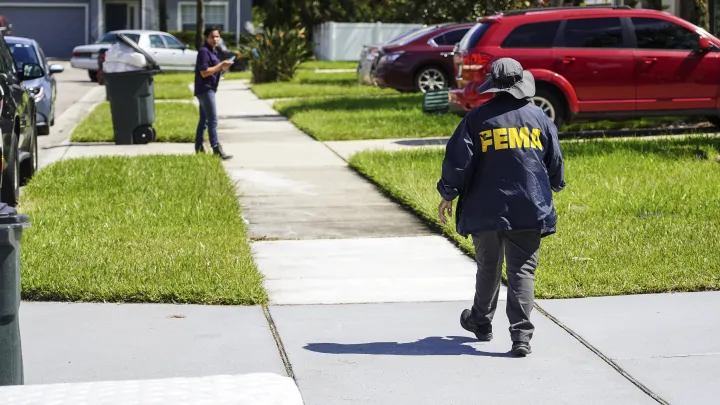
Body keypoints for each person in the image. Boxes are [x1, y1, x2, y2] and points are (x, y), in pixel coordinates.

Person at [436, 58, 565, 357]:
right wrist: (556, 183)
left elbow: (458, 160)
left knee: (488, 267)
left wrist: (448, 193)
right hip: (529, 207)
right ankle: (521, 336)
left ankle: (480, 321)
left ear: (493, 85)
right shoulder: (539, 118)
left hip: (486, 208)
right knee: (522, 270)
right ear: (521, 84)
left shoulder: (477, 119)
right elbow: (554, 160)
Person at [194, 26, 234, 159]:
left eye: (217, 36)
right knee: (213, 120)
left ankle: (199, 148)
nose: (215, 39)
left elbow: (215, 71)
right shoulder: (204, 51)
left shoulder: (213, 52)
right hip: (205, 89)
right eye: (212, 37)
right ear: (206, 38)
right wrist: (220, 65)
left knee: (204, 120)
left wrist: (223, 69)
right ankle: (216, 149)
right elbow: (204, 72)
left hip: (208, 88)